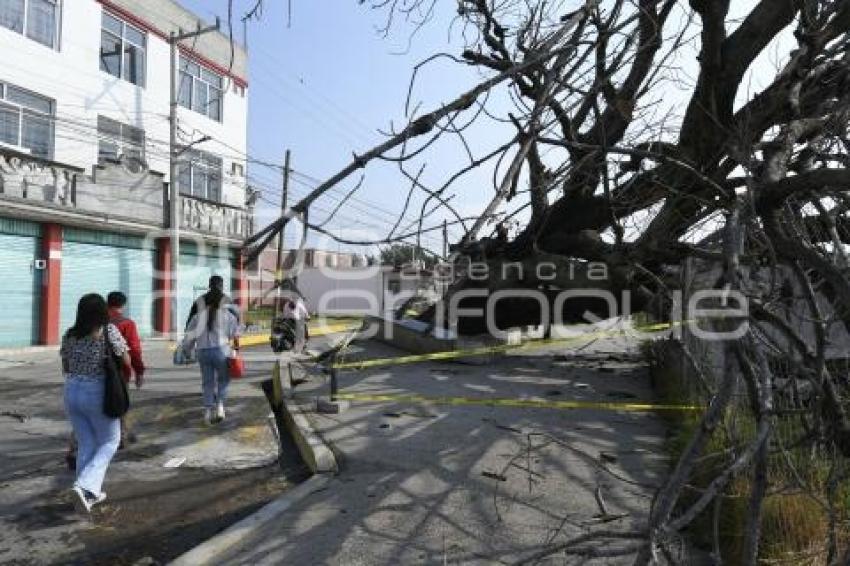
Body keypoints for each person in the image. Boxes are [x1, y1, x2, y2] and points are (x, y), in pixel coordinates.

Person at [62, 293, 131, 513]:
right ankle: (84, 486)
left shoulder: (70, 334)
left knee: (87, 442)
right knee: (110, 441)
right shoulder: (108, 331)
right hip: (97, 390)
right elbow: (125, 359)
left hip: (72, 390)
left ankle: (87, 494)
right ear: (102, 312)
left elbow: (65, 364)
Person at [183, 285, 241, 425]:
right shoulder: (228, 316)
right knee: (223, 380)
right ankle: (220, 407)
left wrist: (187, 351)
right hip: (221, 351)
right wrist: (236, 350)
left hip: (202, 352)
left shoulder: (198, 317)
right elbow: (235, 335)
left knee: (207, 382)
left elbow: (189, 337)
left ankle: (207, 412)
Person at [107, 291, 146, 447]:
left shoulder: (95, 321)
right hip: (118, 372)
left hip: (94, 373)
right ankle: (120, 437)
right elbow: (134, 350)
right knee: (119, 404)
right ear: (123, 305)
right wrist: (139, 371)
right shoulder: (126, 324)